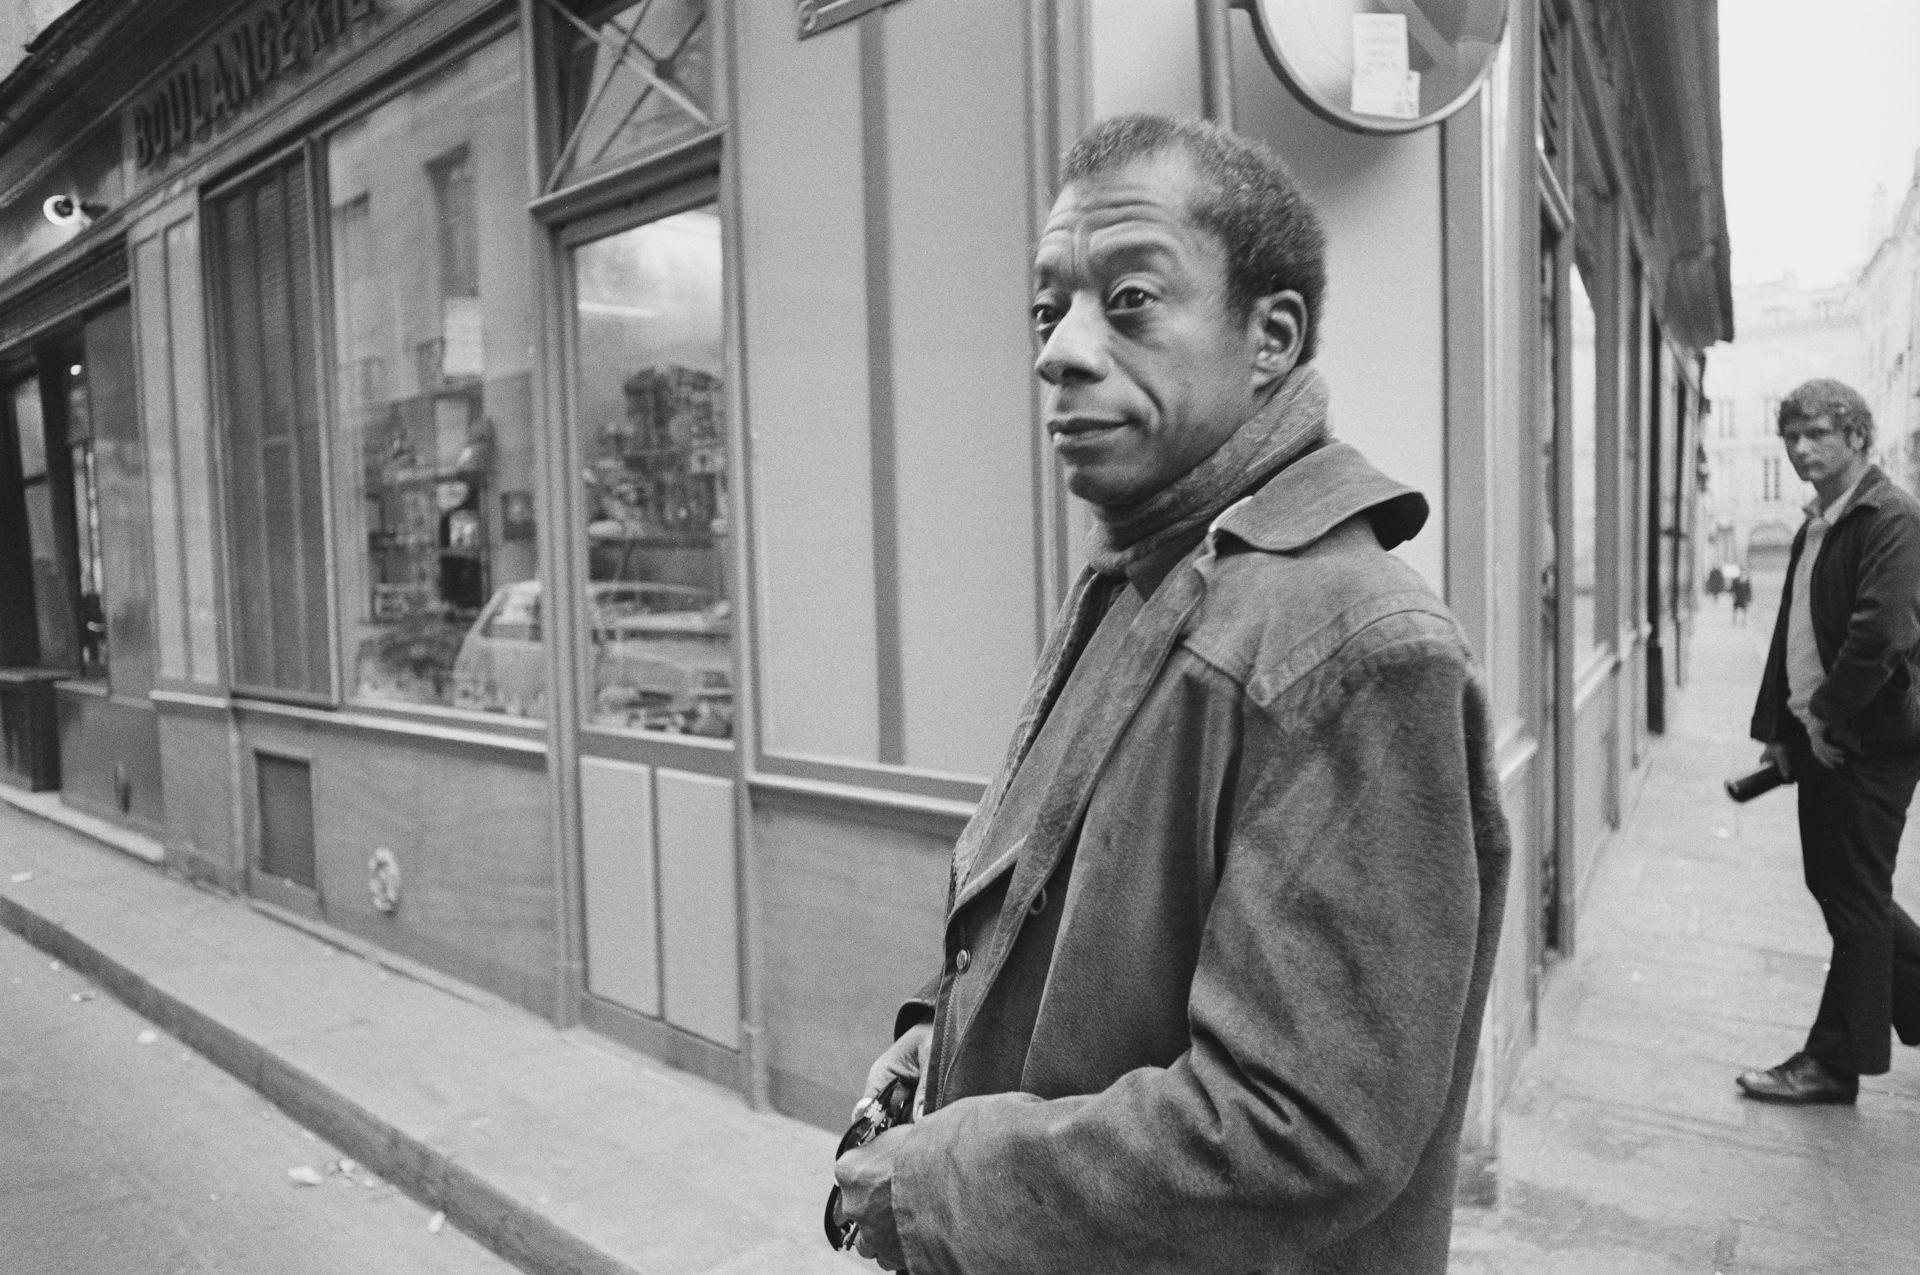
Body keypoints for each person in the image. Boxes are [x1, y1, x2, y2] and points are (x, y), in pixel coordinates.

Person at [831, 113, 1511, 1275]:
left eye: (1130, 299)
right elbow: (1065, 930)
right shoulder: (1149, 578)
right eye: (1047, 310)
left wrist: (945, 1188)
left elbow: (1300, 1130)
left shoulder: (1351, 646)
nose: (1061, 350)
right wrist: (938, 1043)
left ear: (1270, 338)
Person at [1740, 379, 1920, 1105]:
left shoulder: (1892, 517)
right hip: (1825, 737)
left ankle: (1833, 1062)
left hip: (1868, 741)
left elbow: (1882, 634)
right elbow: (1795, 630)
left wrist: (1828, 719)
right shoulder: (1821, 520)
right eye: (1791, 436)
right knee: (1843, 889)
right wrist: (1784, 732)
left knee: (1855, 898)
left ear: (1856, 436)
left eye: (1817, 433)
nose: (1801, 448)